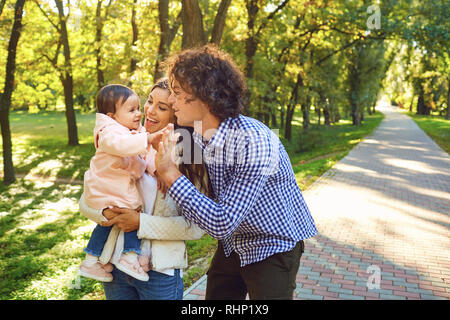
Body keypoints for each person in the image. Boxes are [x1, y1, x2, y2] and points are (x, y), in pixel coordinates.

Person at [154, 45, 318, 300]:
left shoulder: (253, 142)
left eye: (176, 92)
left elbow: (221, 222)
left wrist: (171, 176)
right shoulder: (199, 134)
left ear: (204, 96)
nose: (171, 100)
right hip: (234, 242)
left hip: (273, 245)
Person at [78, 79, 210, 300]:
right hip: (114, 266)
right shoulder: (124, 140)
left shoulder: (190, 158)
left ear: (177, 113)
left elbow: (196, 228)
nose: (149, 110)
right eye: (149, 101)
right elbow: (87, 200)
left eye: (162, 107)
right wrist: (106, 213)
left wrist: (139, 223)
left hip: (159, 272)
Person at [79, 84, 158, 282]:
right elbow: (124, 146)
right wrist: (146, 139)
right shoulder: (108, 132)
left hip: (107, 189)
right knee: (132, 210)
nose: (139, 113)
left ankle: (91, 259)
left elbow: (138, 165)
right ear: (112, 116)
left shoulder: (122, 131)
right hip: (107, 189)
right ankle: (130, 256)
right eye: (132, 110)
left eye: (138, 108)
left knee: (109, 223)